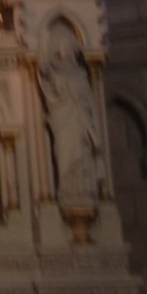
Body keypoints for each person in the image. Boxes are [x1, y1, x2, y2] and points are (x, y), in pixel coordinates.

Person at [38, 23, 99, 204]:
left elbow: (88, 99)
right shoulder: (54, 71)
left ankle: (85, 190)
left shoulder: (81, 73)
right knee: (64, 155)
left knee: (83, 156)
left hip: (79, 120)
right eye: (62, 47)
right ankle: (66, 190)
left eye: (69, 47)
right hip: (62, 118)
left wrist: (83, 108)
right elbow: (47, 90)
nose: (66, 51)